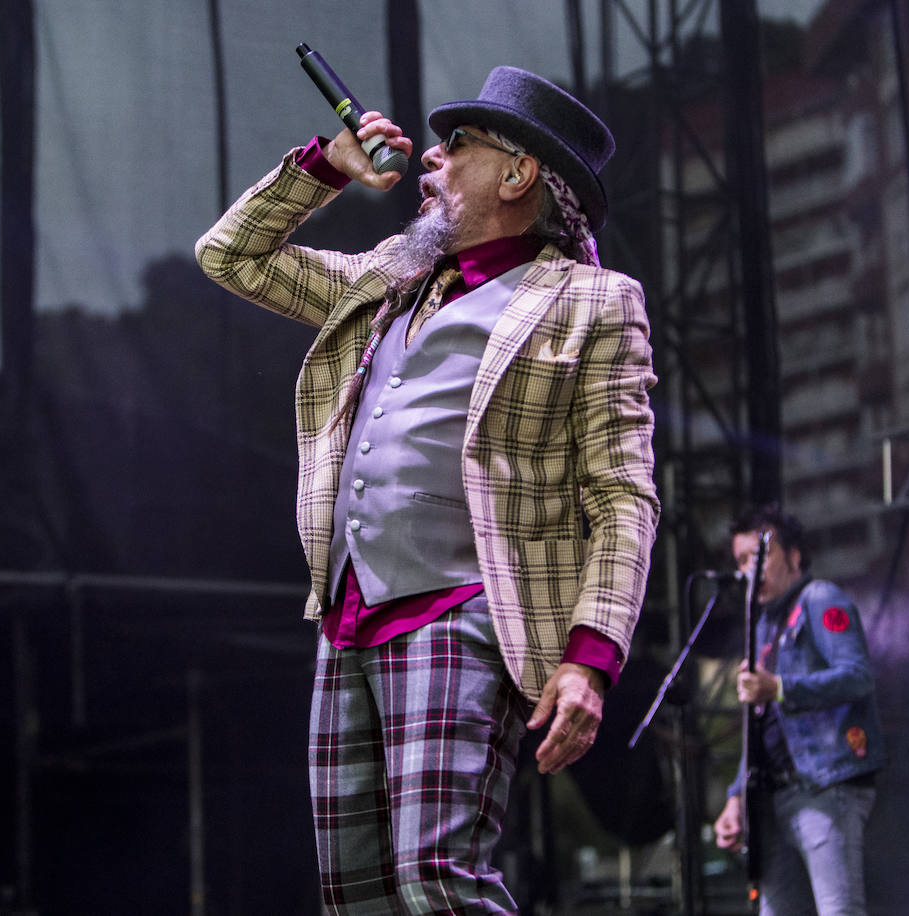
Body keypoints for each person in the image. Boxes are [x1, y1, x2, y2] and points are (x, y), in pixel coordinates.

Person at [195, 65, 659, 913]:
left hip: (463, 610)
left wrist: (592, 659)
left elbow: (623, 496)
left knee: (435, 883)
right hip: (349, 617)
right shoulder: (389, 277)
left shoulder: (592, 304)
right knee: (361, 898)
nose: (429, 160)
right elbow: (231, 255)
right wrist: (326, 168)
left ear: (519, 175)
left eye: (459, 147)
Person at [713, 504, 886, 916]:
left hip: (825, 785)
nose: (747, 571)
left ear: (793, 556)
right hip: (775, 795)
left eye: (757, 557)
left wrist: (781, 687)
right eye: (739, 562)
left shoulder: (819, 597)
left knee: (838, 910)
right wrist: (736, 797)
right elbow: (760, 725)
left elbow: (858, 675)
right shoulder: (763, 625)